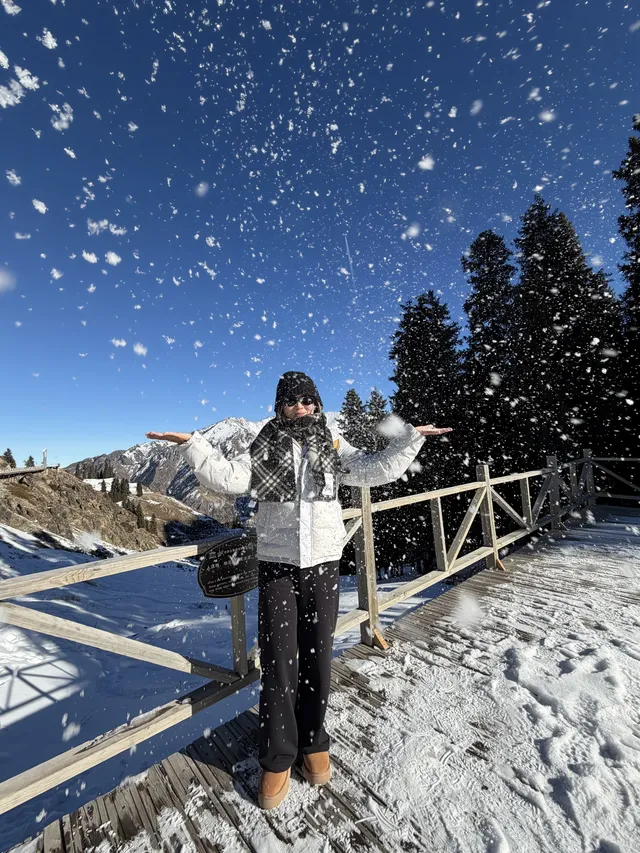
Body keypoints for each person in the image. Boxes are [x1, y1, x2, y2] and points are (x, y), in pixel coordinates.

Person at [146, 370, 451, 810]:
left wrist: (407, 440)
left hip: (324, 562)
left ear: (317, 404)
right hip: (278, 565)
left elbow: (370, 470)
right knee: (278, 661)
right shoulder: (264, 442)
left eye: (308, 400)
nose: (301, 408)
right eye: (292, 401)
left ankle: (313, 741)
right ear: (279, 406)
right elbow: (230, 478)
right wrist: (193, 444)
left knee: (317, 656)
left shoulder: (331, 441)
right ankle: (277, 756)